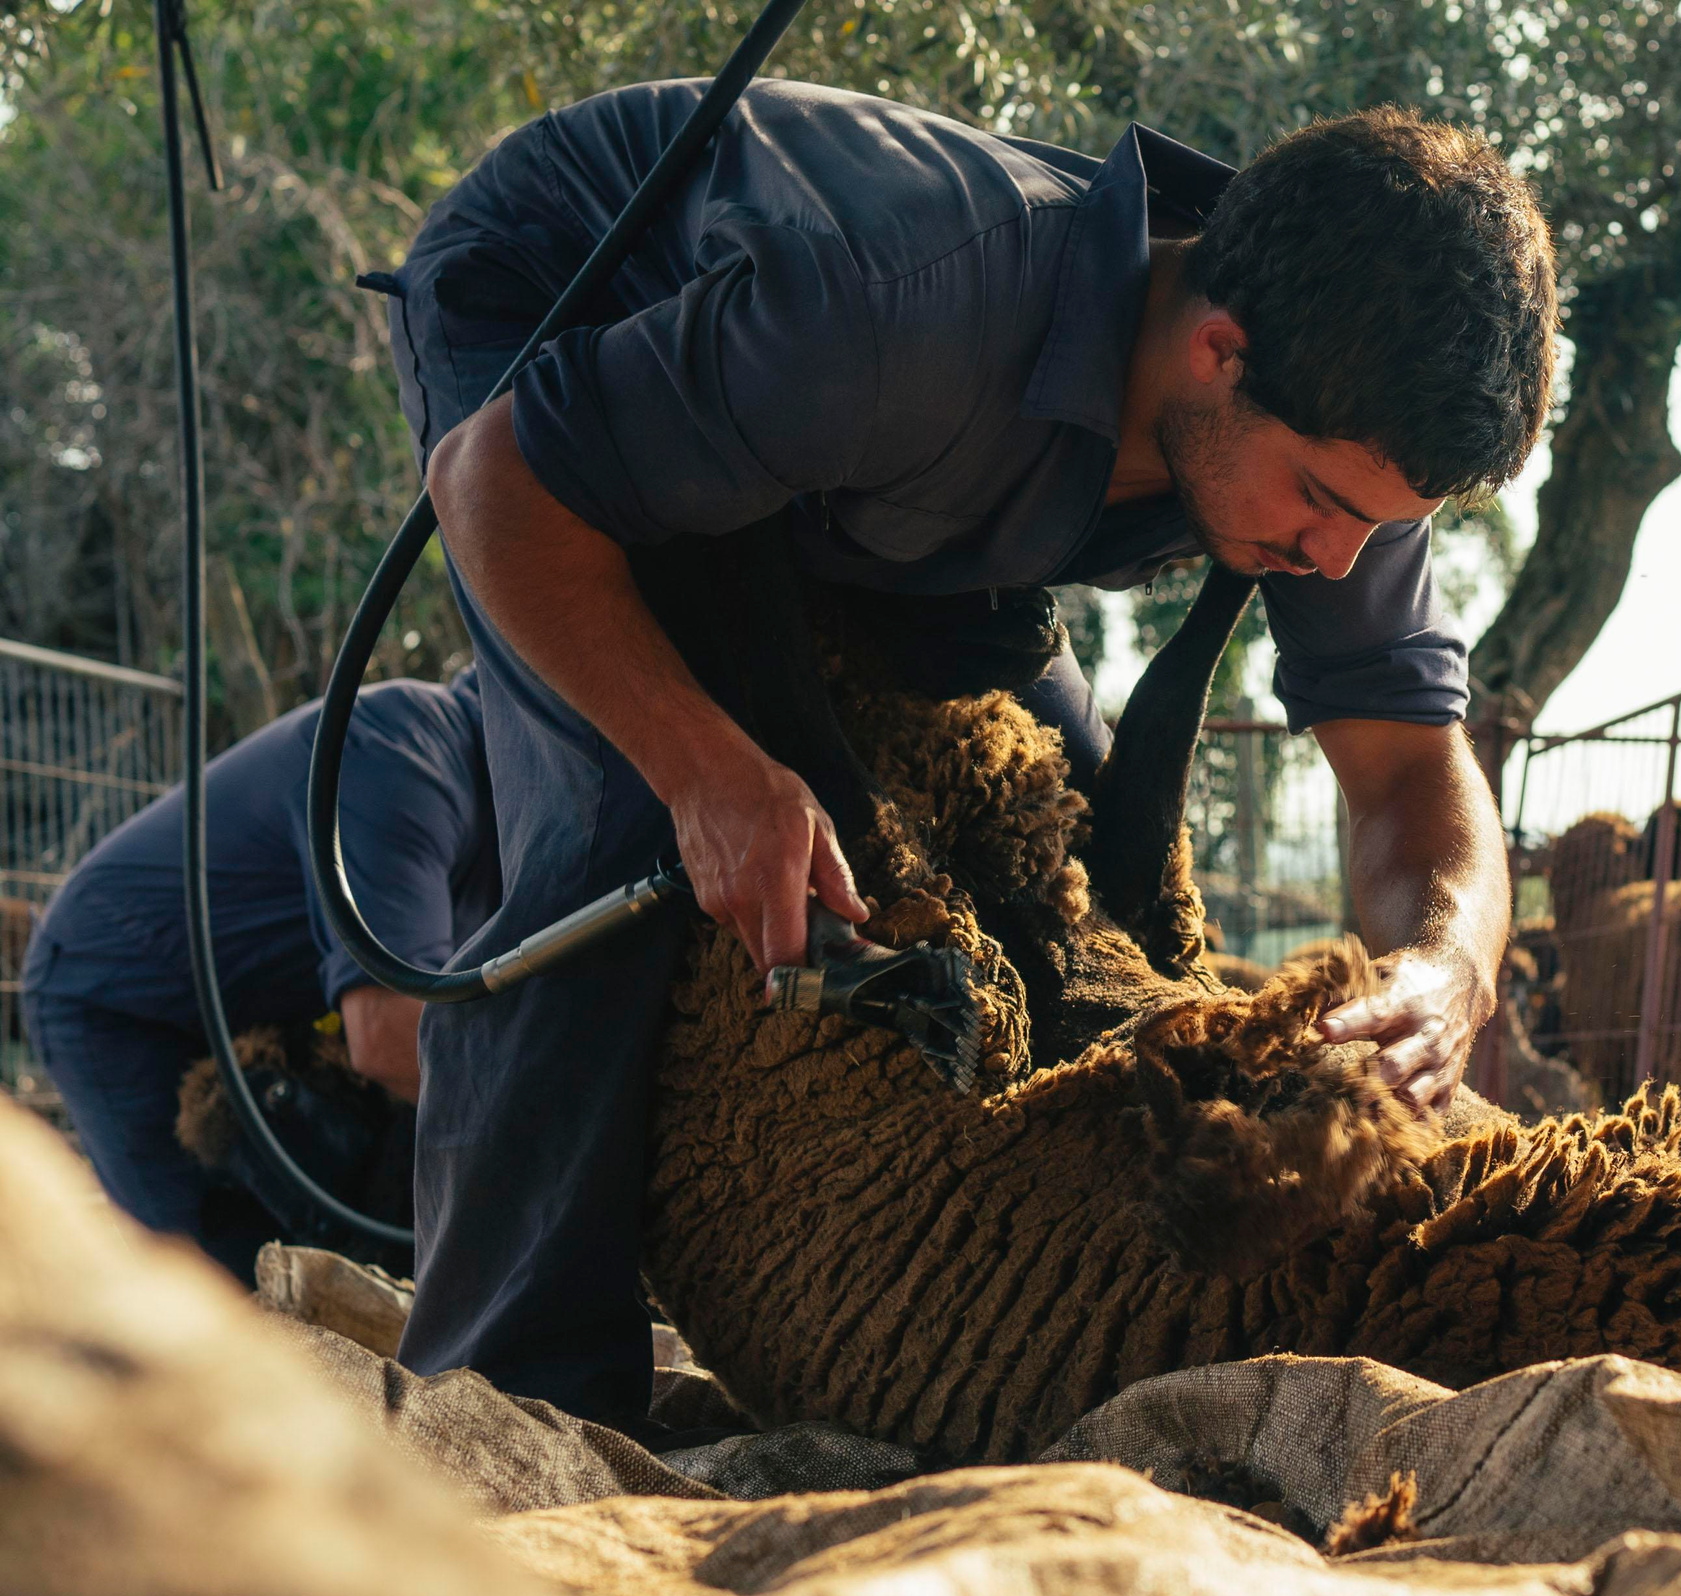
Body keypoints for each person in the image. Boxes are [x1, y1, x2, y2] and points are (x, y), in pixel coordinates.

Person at [374, 83, 1557, 1426]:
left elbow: (1411, 767)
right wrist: (705, 766)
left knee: (1088, 849)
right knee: (621, 844)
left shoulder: (1345, 410)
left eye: (1378, 527)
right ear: (1217, 351)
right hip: (572, 316)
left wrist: (1450, 964)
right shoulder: (898, 309)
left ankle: (1063, 1280)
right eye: (1325, 506)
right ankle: (502, 1389)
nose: (1337, 560)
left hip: (884, 471)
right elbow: (496, 487)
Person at [21, 673, 499, 1283]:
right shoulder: (403, 750)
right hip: (116, 996)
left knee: (338, 1268)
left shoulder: (521, 815)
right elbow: (389, 1034)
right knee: (215, 1291)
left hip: (269, 1011)